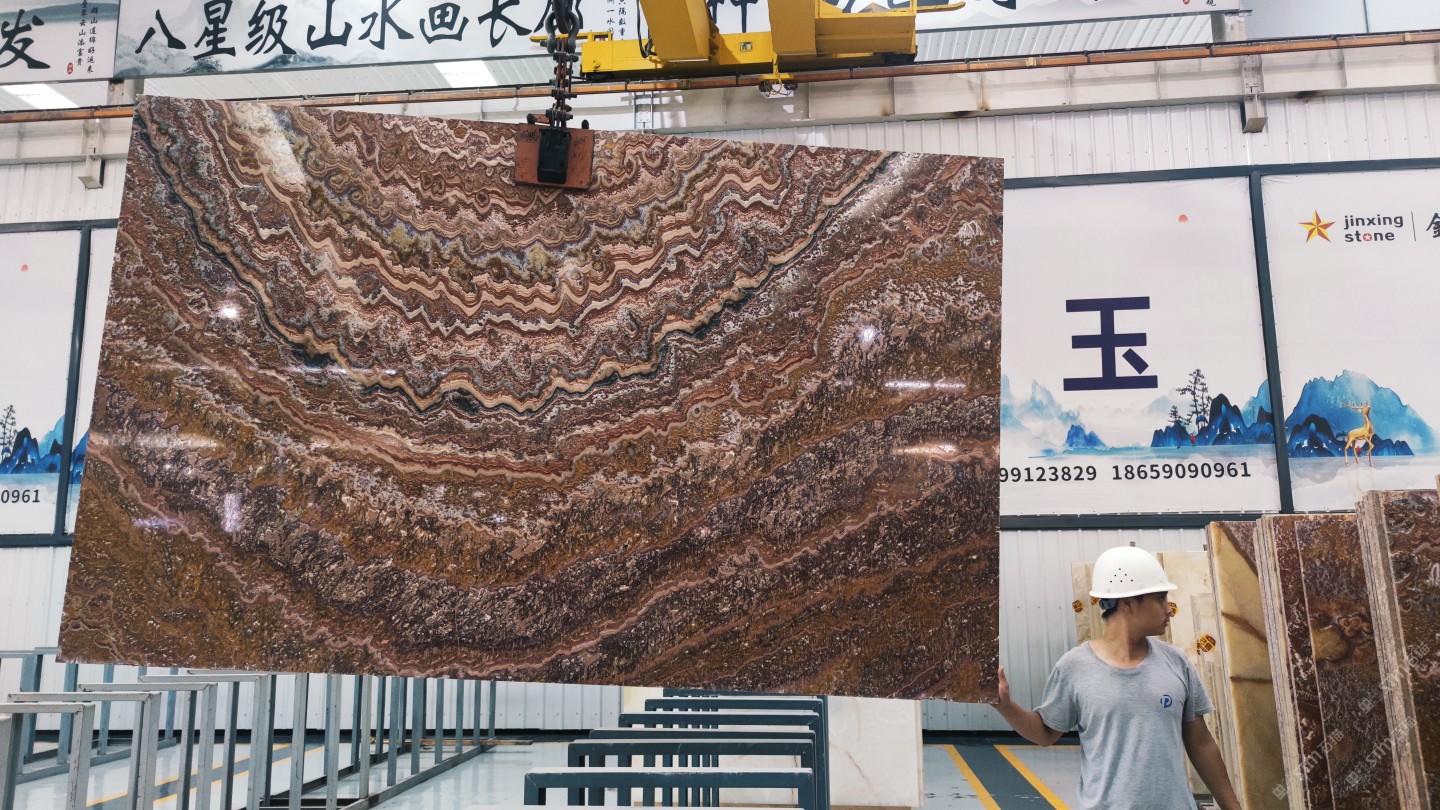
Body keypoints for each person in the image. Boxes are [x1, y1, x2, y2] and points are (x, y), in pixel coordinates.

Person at [994, 546, 1242, 810]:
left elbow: (1201, 743)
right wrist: (1005, 706)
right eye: (1160, 599)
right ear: (1127, 603)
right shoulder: (1074, 667)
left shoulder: (1176, 662)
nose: (1169, 609)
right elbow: (1045, 733)